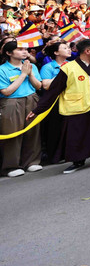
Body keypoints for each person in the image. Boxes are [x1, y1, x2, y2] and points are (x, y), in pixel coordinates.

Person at [27, 38, 90, 174]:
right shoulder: (68, 68)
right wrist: (38, 109)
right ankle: (78, 161)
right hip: (76, 108)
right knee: (76, 136)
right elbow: (54, 90)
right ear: (87, 51)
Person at [0, 41, 43, 177]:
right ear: (8, 53)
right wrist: (23, 74)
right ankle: (11, 166)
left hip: (31, 99)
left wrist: (30, 74)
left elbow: (38, 86)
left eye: (25, 49)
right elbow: (6, 91)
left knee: (33, 131)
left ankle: (31, 162)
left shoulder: (32, 66)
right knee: (13, 133)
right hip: (11, 103)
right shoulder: (2, 70)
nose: (24, 52)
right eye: (19, 49)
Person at [40, 40, 71, 163]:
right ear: (56, 52)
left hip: (71, 99)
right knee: (55, 128)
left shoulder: (72, 64)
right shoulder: (48, 67)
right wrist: (62, 73)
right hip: (55, 101)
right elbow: (46, 85)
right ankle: (55, 155)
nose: (69, 49)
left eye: (69, 47)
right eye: (65, 48)